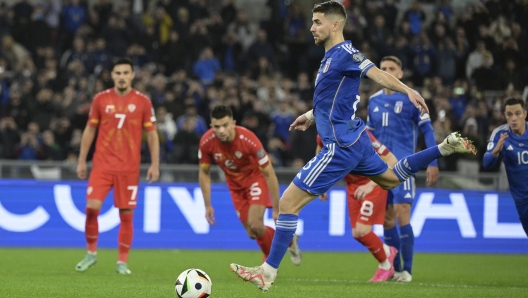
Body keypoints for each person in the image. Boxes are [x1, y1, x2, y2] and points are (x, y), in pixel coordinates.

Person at [230, 1, 476, 291]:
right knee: (390, 178)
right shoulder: (329, 58)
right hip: (357, 141)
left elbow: (378, 75)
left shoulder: (346, 53)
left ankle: (267, 272)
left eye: (318, 21)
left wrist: (409, 90)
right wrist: (310, 116)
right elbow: (337, 99)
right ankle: (444, 148)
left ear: (335, 25)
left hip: (340, 145)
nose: (311, 27)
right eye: (312, 21)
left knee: (287, 204)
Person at [75, 58, 160, 274]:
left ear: (133, 75)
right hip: (102, 165)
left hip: (128, 168)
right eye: (118, 73)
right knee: (91, 209)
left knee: (126, 215)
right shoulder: (101, 99)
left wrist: (155, 164)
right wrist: (82, 160)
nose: (121, 77)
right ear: (112, 75)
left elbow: (151, 135)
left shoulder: (143, 102)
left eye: (125, 73)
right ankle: (91, 253)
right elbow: (90, 130)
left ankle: (122, 261)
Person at [366, 55, 439, 282]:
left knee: (402, 214)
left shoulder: (412, 98)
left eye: (391, 68)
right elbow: (369, 136)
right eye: (383, 68)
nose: (386, 71)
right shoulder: (373, 101)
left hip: (404, 166)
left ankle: (406, 270)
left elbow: (427, 130)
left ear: (400, 74)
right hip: (379, 168)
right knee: (387, 220)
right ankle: (393, 269)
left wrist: (433, 161)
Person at [198, 105, 301, 265]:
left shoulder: (248, 139)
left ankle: (269, 265)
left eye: (225, 125)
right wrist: (207, 204)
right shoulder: (206, 142)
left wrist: (276, 208)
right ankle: (288, 240)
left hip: (255, 179)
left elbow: (269, 173)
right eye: (217, 127)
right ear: (211, 126)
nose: (221, 130)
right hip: (235, 187)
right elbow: (204, 172)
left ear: (233, 123)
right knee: (252, 232)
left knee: (255, 224)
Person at [317, 132, 399, 282]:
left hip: (372, 184)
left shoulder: (362, 134)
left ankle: (386, 266)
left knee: (362, 230)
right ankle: (387, 251)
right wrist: (321, 184)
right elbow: (320, 156)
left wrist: (371, 184)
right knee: (356, 233)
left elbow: (392, 160)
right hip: (352, 186)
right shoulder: (324, 133)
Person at [483, 98, 528, 236]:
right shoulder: (500, 134)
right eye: (509, 114)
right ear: (505, 115)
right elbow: (486, 163)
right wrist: (495, 152)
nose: (514, 118)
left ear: (525, 114)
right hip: (521, 199)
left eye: (518, 113)